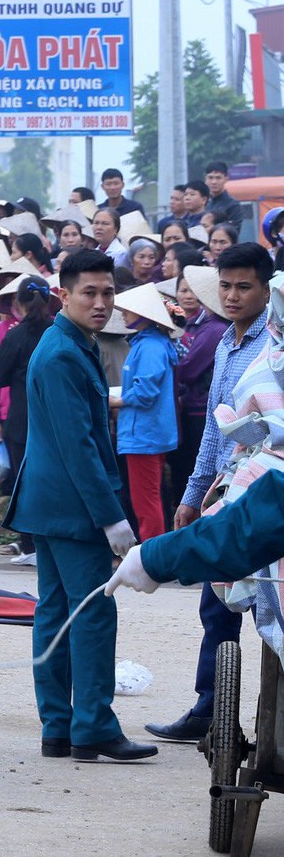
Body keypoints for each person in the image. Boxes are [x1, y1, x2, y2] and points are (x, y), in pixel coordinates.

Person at [3, 248, 154, 763]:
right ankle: (91, 726)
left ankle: (60, 726)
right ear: (63, 294)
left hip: (49, 501)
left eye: (108, 292)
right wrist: (111, 515)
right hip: (70, 505)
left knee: (56, 613)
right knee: (90, 614)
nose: (101, 302)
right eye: (89, 292)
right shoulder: (64, 350)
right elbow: (79, 445)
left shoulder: (69, 341)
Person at [144, 243, 274, 743]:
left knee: (270, 609)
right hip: (222, 490)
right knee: (216, 604)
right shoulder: (223, 342)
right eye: (226, 286)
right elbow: (216, 433)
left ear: (267, 289)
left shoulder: (274, 345)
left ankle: (270, 724)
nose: (233, 295)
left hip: (265, 492)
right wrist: (193, 493)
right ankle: (212, 711)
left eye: (244, 287)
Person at [0, 275, 56, 565]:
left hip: (21, 419)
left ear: (19, 301)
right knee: (53, 480)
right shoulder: (57, 332)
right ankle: (52, 540)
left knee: (25, 481)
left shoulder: (15, 335)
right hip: (54, 418)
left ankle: (29, 542)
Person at [111, 285, 180, 542]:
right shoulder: (150, 343)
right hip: (146, 432)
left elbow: (145, 392)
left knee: (145, 501)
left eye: (129, 310)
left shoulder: (150, 346)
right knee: (148, 497)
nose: (124, 314)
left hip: (143, 435)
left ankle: (151, 554)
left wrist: (116, 401)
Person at [167, 266, 228, 525]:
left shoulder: (213, 329)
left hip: (199, 410)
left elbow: (189, 369)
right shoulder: (199, 324)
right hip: (194, 406)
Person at [204, 161, 245, 231]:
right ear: (206, 179)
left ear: (226, 179)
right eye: (210, 178)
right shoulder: (203, 203)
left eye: (218, 178)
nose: (214, 182)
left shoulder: (233, 205)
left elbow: (234, 231)